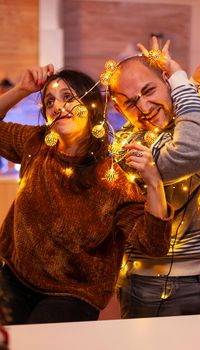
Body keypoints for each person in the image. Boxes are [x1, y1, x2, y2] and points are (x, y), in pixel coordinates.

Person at [0, 64, 173, 324]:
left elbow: (154, 245)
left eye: (68, 98)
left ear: (90, 104)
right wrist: (22, 90)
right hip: (14, 278)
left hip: (72, 295)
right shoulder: (35, 144)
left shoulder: (112, 177)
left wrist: (154, 182)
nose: (58, 107)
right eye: (49, 102)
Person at [109, 36, 200, 317]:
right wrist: (179, 76)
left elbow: (184, 124)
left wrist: (193, 81)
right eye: (130, 103)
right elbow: (198, 146)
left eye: (149, 89)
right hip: (155, 289)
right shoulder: (132, 147)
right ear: (119, 110)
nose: (144, 107)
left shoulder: (182, 122)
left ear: (165, 83)